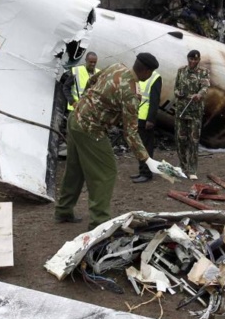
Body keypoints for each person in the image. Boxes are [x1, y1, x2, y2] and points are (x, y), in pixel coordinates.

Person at [54, 53, 162, 230]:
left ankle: (63, 210)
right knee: (107, 172)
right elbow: (131, 133)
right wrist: (147, 159)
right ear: (147, 72)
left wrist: (86, 101)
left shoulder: (116, 67)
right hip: (90, 129)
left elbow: (91, 82)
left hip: (76, 118)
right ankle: (99, 222)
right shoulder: (131, 93)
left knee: (75, 168)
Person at [173, 50, 211, 180]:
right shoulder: (181, 71)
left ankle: (192, 169)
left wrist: (199, 95)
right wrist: (177, 93)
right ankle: (182, 166)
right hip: (181, 110)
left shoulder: (203, 72)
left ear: (199, 60)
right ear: (187, 58)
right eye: (191, 59)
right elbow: (176, 87)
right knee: (180, 140)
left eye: (196, 59)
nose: (193, 61)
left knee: (193, 140)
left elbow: (205, 87)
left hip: (195, 111)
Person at [130, 68, 162, 183]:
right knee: (139, 146)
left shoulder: (155, 78)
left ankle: (147, 173)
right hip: (138, 116)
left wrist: (151, 119)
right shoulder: (140, 76)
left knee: (146, 147)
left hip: (146, 120)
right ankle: (141, 171)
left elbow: (155, 100)